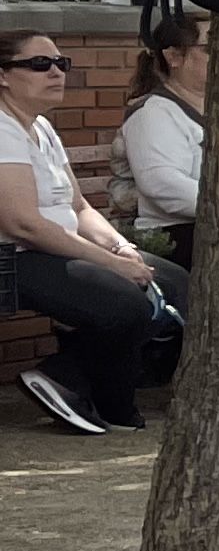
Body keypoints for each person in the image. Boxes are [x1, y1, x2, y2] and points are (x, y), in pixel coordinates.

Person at [5, 27, 186, 435]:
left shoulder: (42, 127)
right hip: (16, 257)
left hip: (58, 248)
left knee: (176, 283)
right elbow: (23, 224)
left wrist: (122, 248)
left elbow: (79, 206)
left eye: (60, 63)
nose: (56, 72)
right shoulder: (2, 130)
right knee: (126, 305)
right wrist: (110, 264)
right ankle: (80, 387)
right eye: (39, 64)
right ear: (3, 75)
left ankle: (74, 383)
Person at [117, 13, 208, 264]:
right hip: (173, 237)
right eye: (211, 47)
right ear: (174, 56)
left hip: (213, 226)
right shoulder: (153, 114)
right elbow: (162, 185)